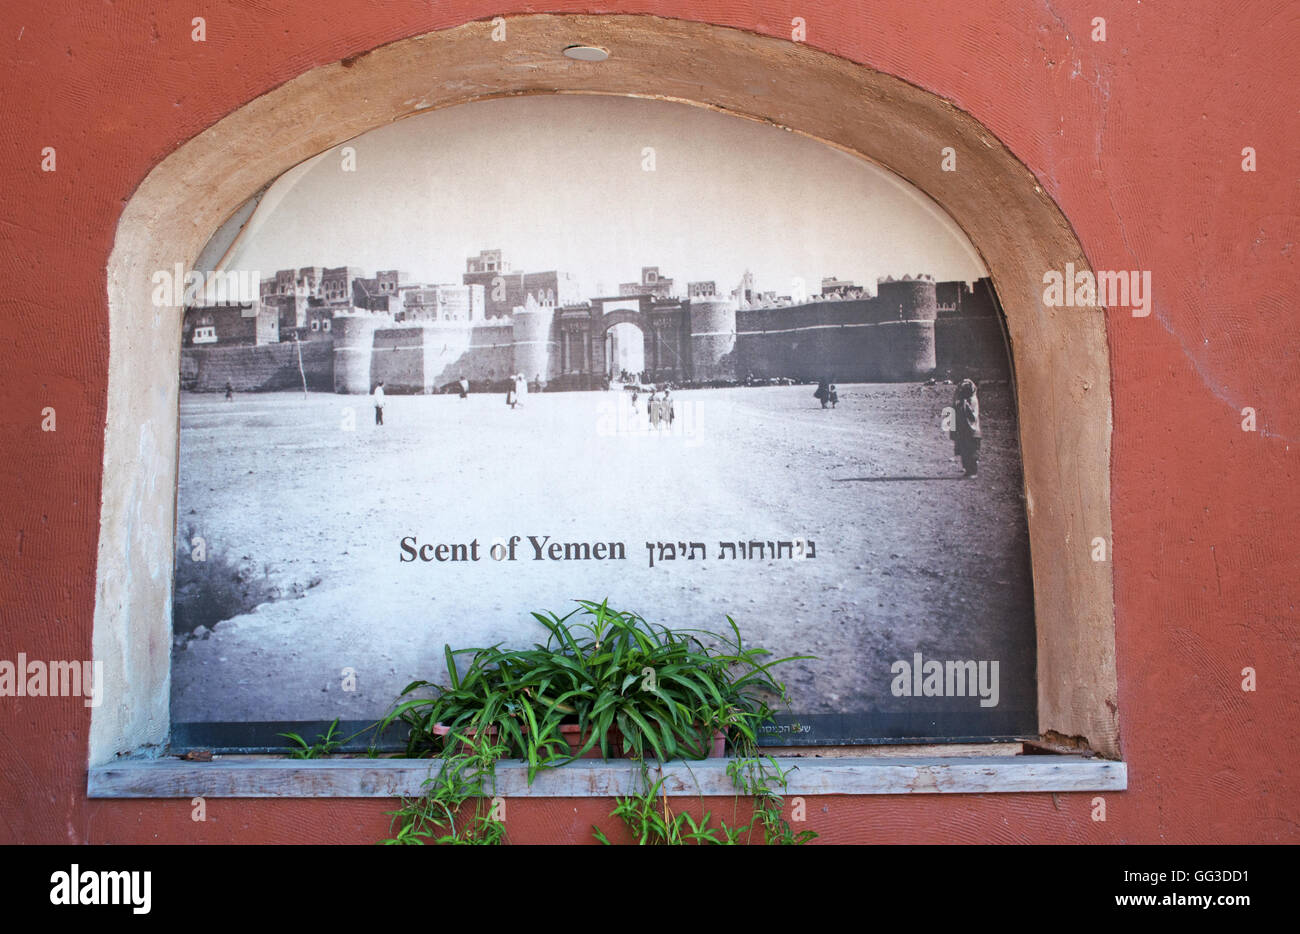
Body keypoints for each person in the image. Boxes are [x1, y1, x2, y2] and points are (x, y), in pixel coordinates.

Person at [951, 378, 981, 477]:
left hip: (972, 430)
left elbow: (972, 416)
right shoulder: (960, 402)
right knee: (964, 450)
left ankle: (973, 471)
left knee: (972, 451)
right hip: (963, 430)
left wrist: (964, 404)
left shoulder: (972, 400)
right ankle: (968, 470)